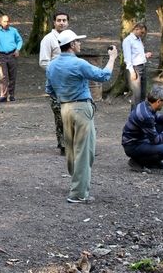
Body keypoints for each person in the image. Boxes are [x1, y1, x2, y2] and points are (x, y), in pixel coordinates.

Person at [46, 30, 118, 204]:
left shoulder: (52, 65)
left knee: (71, 148)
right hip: (81, 107)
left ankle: (76, 182)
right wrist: (112, 58)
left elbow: (49, 90)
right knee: (85, 150)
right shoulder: (79, 63)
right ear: (71, 45)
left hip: (64, 108)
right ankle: (78, 193)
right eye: (78, 41)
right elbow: (103, 76)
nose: (80, 44)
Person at [122, 84, 163, 172]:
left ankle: (155, 161)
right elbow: (156, 140)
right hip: (133, 146)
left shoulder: (145, 105)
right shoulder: (146, 116)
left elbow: (156, 117)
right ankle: (137, 162)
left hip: (139, 139)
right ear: (158, 101)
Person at [39, 10, 70, 154]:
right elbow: (44, 62)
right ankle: (63, 144)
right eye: (59, 20)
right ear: (54, 22)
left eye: (64, 20)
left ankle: (74, 142)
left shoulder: (71, 37)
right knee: (59, 113)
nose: (62, 22)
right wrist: (58, 70)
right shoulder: (48, 39)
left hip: (71, 82)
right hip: (56, 83)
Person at [0, 14, 23, 102]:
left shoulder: (13, 30)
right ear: (0, 22)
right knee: (3, 76)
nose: (6, 23)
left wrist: (17, 50)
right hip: (1, 56)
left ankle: (12, 95)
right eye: (4, 21)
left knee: (13, 75)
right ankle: (4, 95)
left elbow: (19, 40)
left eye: (8, 21)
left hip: (12, 55)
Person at [122, 22, 152, 110]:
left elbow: (137, 55)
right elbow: (127, 58)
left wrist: (145, 55)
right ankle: (134, 117)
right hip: (135, 69)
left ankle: (141, 115)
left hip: (143, 67)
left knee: (143, 94)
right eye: (141, 32)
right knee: (136, 95)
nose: (142, 35)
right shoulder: (128, 40)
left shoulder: (138, 40)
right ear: (136, 29)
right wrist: (132, 72)